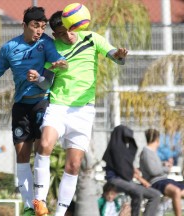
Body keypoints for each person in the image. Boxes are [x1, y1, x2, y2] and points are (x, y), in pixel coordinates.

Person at [0, 6, 67, 215]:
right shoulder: (9, 48)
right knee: (22, 156)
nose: (39, 31)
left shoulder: (45, 43)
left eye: (42, 27)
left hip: (41, 102)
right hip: (21, 105)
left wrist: (58, 64)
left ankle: (40, 201)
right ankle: (29, 207)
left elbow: (60, 64)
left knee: (41, 150)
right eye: (35, 26)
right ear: (24, 26)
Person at [26, 11, 128, 216]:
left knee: (73, 166)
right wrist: (39, 78)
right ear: (55, 35)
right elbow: (46, 82)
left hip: (84, 110)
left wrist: (119, 56)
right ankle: (40, 201)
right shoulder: (53, 49)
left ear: (75, 25)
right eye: (62, 33)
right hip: (58, 105)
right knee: (45, 144)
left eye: (70, 30)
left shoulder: (92, 38)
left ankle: (60, 214)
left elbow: (116, 57)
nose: (68, 36)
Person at [140, 128, 184, 216]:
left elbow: (155, 166)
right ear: (157, 139)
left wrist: (164, 164)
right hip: (156, 182)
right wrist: (166, 168)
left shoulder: (152, 152)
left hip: (165, 180)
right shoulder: (146, 152)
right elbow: (153, 171)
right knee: (176, 191)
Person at [102, 125, 161, 216]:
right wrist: (141, 180)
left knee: (155, 195)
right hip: (115, 180)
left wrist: (134, 171)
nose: (128, 139)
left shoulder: (124, 150)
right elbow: (123, 170)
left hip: (127, 181)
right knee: (137, 192)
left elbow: (127, 168)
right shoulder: (115, 149)